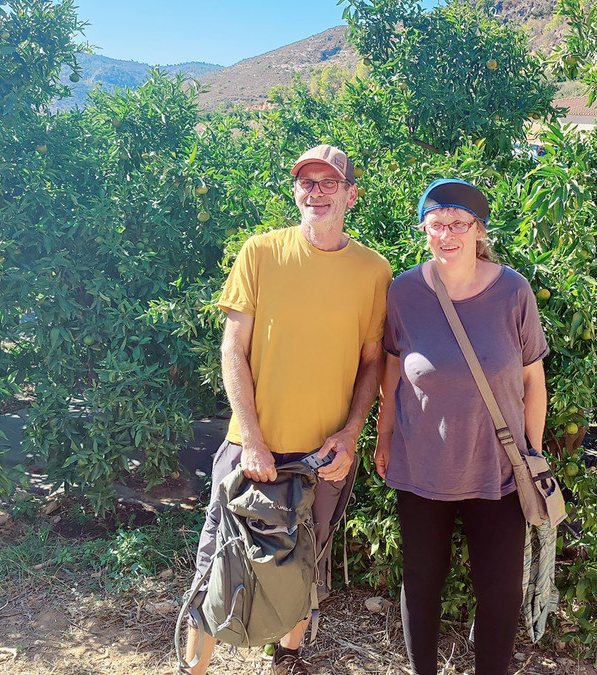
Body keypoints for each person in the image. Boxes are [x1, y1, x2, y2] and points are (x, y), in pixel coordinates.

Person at [183, 144, 392, 675]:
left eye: (328, 183)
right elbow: (233, 349)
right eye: (306, 182)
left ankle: (287, 659)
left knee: (306, 565)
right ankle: (193, 669)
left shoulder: (374, 270)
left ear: (351, 194)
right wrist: (251, 438)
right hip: (251, 446)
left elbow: (372, 362)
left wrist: (350, 435)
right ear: (295, 190)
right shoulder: (261, 251)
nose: (316, 192)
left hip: (322, 457)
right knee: (219, 562)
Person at [374, 179, 548, 675]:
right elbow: (391, 366)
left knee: (499, 592)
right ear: (424, 230)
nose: (446, 235)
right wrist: (383, 435)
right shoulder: (404, 292)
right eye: (436, 224)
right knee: (422, 581)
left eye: (458, 223)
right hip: (422, 465)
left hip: (498, 470)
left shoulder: (513, 290)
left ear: (478, 230)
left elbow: (534, 379)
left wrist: (532, 452)